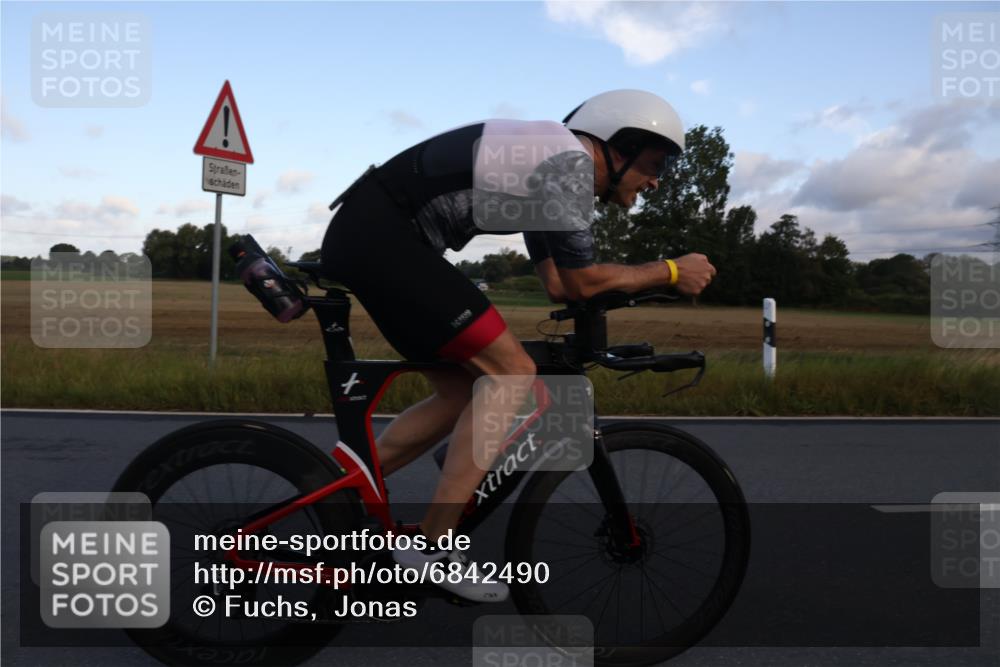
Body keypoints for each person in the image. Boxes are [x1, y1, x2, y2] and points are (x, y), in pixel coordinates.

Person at [320, 89, 717, 602]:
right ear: (618, 145)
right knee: (511, 372)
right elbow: (581, 283)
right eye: (654, 162)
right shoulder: (567, 161)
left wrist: (631, 284)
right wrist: (667, 271)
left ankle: (325, 487)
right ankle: (433, 546)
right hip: (387, 239)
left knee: (462, 391)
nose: (656, 180)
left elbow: (557, 283)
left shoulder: (546, 162)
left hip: (375, 237)